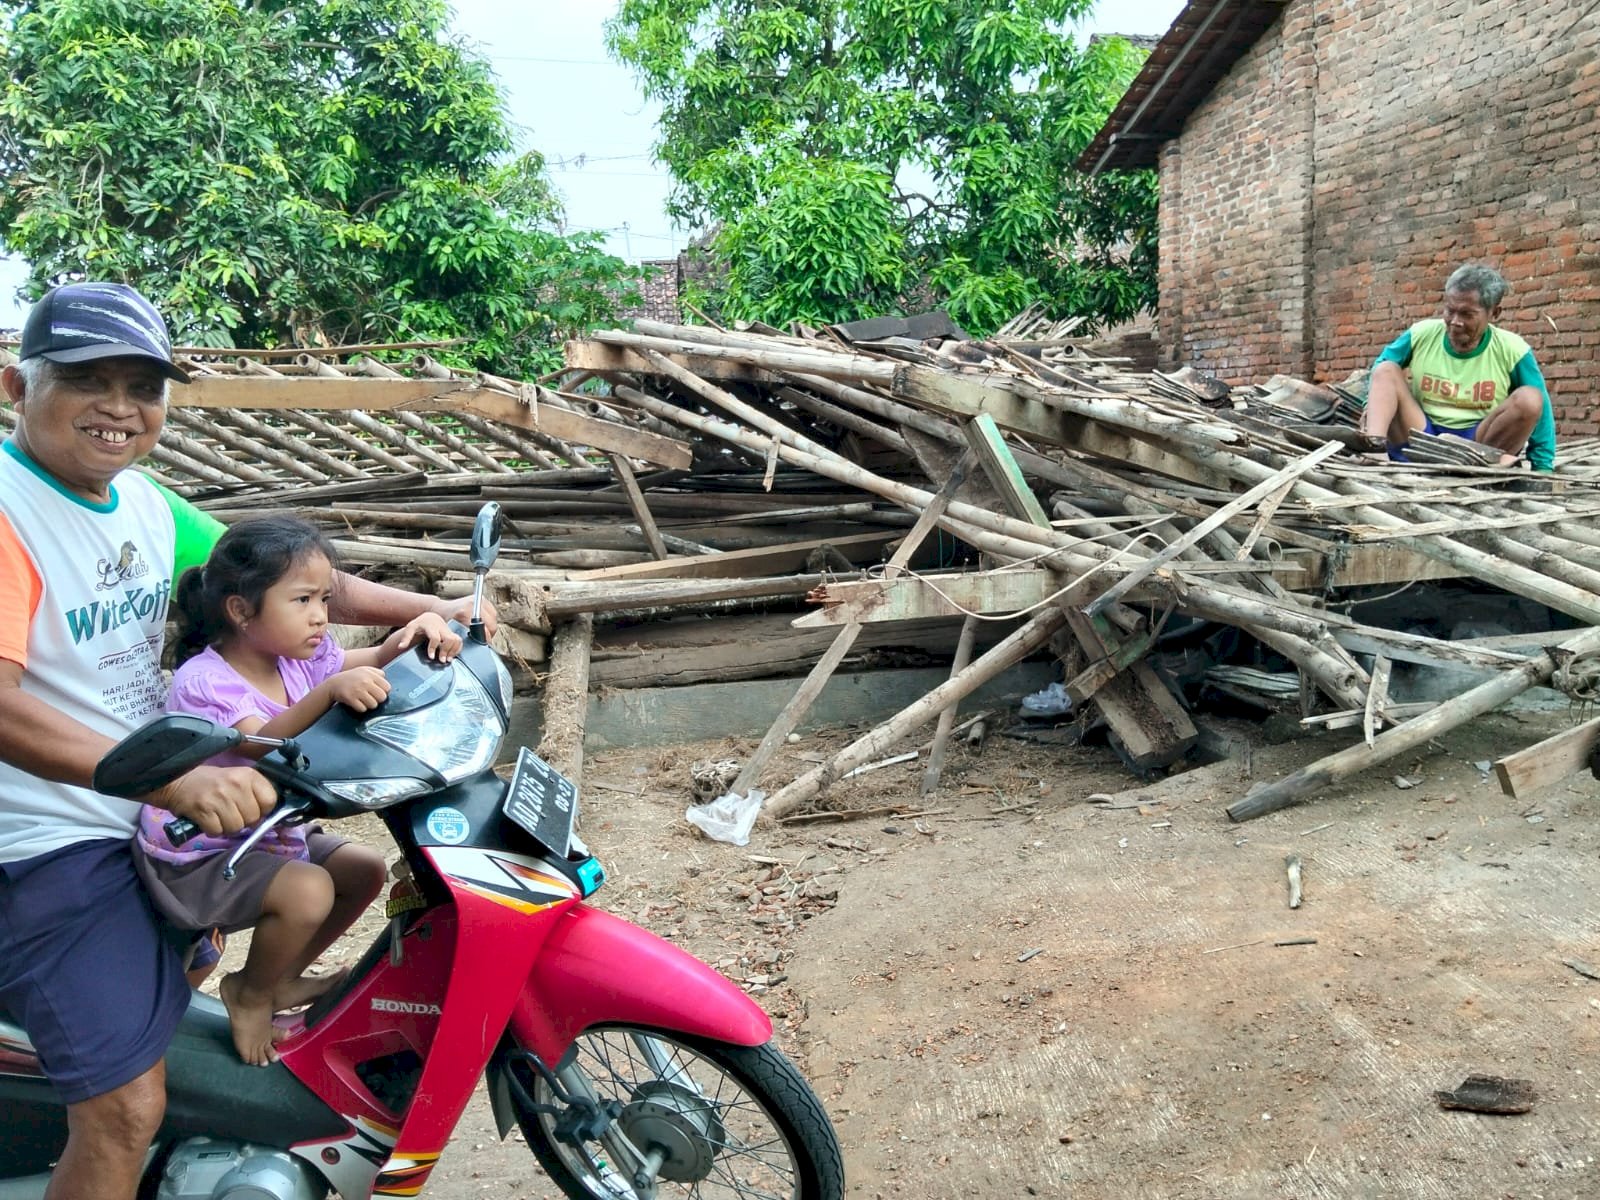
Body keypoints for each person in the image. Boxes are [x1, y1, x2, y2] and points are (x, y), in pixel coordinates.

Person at [0, 282, 495, 1200]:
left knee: (339, 872)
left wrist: (434, 607)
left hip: (157, 811)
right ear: (13, 386)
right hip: (55, 839)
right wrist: (168, 782)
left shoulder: (143, 504)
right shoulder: (7, 510)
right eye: (87, 380)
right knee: (121, 1113)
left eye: (142, 387)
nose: (119, 407)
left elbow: (299, 583)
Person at [135, 517, 462, 1066]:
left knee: (363, 869)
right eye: (303, 599)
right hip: (197, 853)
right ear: (241, 611)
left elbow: (369, 662)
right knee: (309, 890)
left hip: (264, 833)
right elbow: (258, 741)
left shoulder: (295, 659)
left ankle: (281, 979)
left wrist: (413, 632)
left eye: (325, 599)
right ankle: (249, 992)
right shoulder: (205, 678)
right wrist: (331, 690)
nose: (320, 616)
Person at [1361, 263, 1557, 471]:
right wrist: (1368, 407)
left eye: (1467, 314)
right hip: (1420, 438)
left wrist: (1542, 466)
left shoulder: (1513, 349)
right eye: (1450, 310)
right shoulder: (1421, 334)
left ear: (1494, 313)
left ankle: (1481, 469)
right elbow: (1380, 370)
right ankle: (1376, 455)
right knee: (1386, 370)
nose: (1455, 322)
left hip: (1478, 447)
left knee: (1531, 398)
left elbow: (1541, 409)